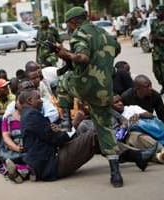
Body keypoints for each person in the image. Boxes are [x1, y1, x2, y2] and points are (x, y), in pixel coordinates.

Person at [55, 7, 123, 187]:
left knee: (63, 80)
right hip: (104, 90)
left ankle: (66, 123)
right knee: (105, 128)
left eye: (69, 24)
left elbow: (83, 57)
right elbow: (116, 49)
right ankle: (115, 173)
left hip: (85, 87)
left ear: (74, 22)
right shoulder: (106, 34)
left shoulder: (79, 33)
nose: (69, 27)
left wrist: (65, 54)